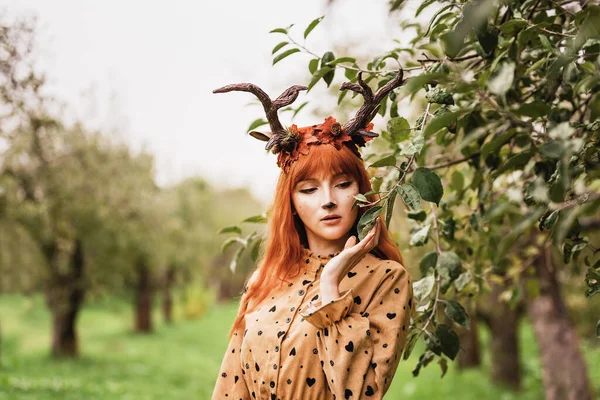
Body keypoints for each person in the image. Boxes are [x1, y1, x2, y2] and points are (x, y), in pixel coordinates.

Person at [211, 71, 414, 399]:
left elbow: (361, 393)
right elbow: (230, 386)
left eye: (343, 184)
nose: (328, 200)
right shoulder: (267, 278)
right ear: (290, 202)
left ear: (360, 191)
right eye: (309, 189)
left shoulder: (387, 279)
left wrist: (331, 285)